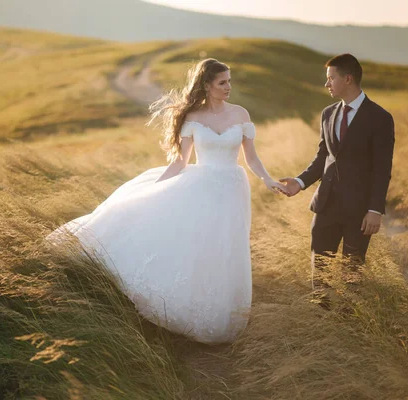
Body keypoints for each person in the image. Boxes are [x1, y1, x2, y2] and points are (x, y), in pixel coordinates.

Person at [47, 58, 285, 343]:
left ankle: (218, 312)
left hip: (232, 188)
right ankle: (179, 306)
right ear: (207, 85)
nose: (228, 87)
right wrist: (153, 190)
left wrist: (267, 178)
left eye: (229, 81)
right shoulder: (193, 118)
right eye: (223, 82)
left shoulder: (240, 114)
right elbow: (181, 162)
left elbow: (251, 157)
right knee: (194, 244)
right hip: (201, 186)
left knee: (223, 248)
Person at [280, 53, 395, 304]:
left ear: (348, 79)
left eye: (331, 78)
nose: (327, 84)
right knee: (320, 268)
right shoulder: (328, 113)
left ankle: (348, 325)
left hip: (360, 210)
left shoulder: (380, 118)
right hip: (326, 204)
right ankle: (322, 319)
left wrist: (375, 209)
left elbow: (382, 168)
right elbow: (323, 157)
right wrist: (299, 183)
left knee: (352, 271)